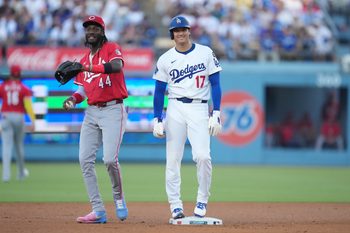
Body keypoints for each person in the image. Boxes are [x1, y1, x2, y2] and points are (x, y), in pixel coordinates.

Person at [152, 15, 222, 219]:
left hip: (199, 108)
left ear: (189, 31)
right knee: (173, 159)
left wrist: (216, 112)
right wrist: (157, 118)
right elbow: (159, 91)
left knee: (203, 156)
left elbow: (216, 83)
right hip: (175, 107)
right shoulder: (165, 58)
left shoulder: (205, 52)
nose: (180, 32)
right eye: (176, 30)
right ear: (172, 34)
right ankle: (175, 205)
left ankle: (202, 200)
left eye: (183, 29)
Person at [62, 15, 128, 223]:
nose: (91, 31)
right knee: (85, 161)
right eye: (88, 28)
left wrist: (87, 68)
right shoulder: (83, 60)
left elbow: (116, 66)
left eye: (95, 28)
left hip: (113, 110)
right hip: (91, 112)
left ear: (102, 31)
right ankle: (98, 210)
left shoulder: (110, 48)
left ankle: (118, 198)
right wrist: (73, 99)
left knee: (109, 159)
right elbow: (83, 88)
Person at [0, 65, 36, 182]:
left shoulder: (3, 86)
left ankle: (6, 176)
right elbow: (28, 106)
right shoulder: (23, 88)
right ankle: (21, 173)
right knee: (19, 146)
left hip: (5, 116)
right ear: (19, 74)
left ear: (10, 74)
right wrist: (33, 121)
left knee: (6, 146)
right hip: (18, 117)